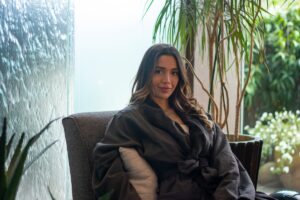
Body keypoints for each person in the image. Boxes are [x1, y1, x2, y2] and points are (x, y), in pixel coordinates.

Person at [92, 44, 276, 200]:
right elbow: (105, 163)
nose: (167, 80)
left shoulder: (193, 112)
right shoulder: (130, 119)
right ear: (146, 74)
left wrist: (226, 194)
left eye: (174, 73)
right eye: (158, 71)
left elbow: (226, 159)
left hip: (223, 192)